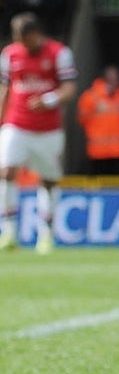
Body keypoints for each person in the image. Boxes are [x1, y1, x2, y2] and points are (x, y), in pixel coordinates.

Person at [0, 13, 75, 253]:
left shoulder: (59, 53)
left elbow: (69, 88)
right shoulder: (10, 55)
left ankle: (46, 235)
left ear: (36, 34)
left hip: (48, 129)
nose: (23, 44)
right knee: (6, 171)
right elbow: (4, 88)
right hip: (16, 124)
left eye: (26, 39)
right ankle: (9, 233)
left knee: (49, 180)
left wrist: (49, 100)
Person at [77, 64, 119, 176]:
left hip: (118, 150)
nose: (115, 81)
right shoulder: (90, 96)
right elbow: (82, 119)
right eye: (112, 78)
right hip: (98, 151)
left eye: (117, 78)